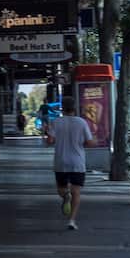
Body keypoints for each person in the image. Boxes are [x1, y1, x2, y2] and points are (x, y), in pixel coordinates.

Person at [42, 97, 94, 231]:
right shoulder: (82, 123)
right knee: (76, 192)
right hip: (77, 162)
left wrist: (46, 132)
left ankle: (65, 196)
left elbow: (50, 141)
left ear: (62, 108)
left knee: (61, 188)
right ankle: (72, 220)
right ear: (74, 108)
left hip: (61, 161)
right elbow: (89, 142)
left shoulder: (56, 122)